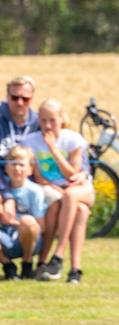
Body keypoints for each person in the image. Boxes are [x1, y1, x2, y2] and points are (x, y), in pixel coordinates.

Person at [23, 99, 94, 283]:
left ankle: (58, 255)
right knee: (81, 211)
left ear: (61, 119)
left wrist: (54, 150)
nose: (47, 126)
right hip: (56, 191)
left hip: (79, 189)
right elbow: (39, 177)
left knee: (70, 196)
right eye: (43, 120)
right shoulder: (31, 142)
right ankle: (75, 271)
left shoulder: (72, 139)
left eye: (52, 120)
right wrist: (57, 189)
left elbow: (72, 174)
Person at [0, 146, 47, 280]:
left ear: (30, 169)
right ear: (6, 168)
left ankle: (27, 263)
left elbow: (41, 227)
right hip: (7, 239)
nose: (17, 169)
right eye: (13, 164)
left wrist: (14, 222)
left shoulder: (34, 191)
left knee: (27, 220)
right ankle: (8, 265)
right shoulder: (2, 189)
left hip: (30, 241)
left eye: (21, 165)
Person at [0, 76, 40, 165]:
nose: (20, 102)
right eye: (15, 97)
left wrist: (79, 172)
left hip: (32, 177)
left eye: (25, 98)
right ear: (7, 97)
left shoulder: (42, 123)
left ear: (32, 98)